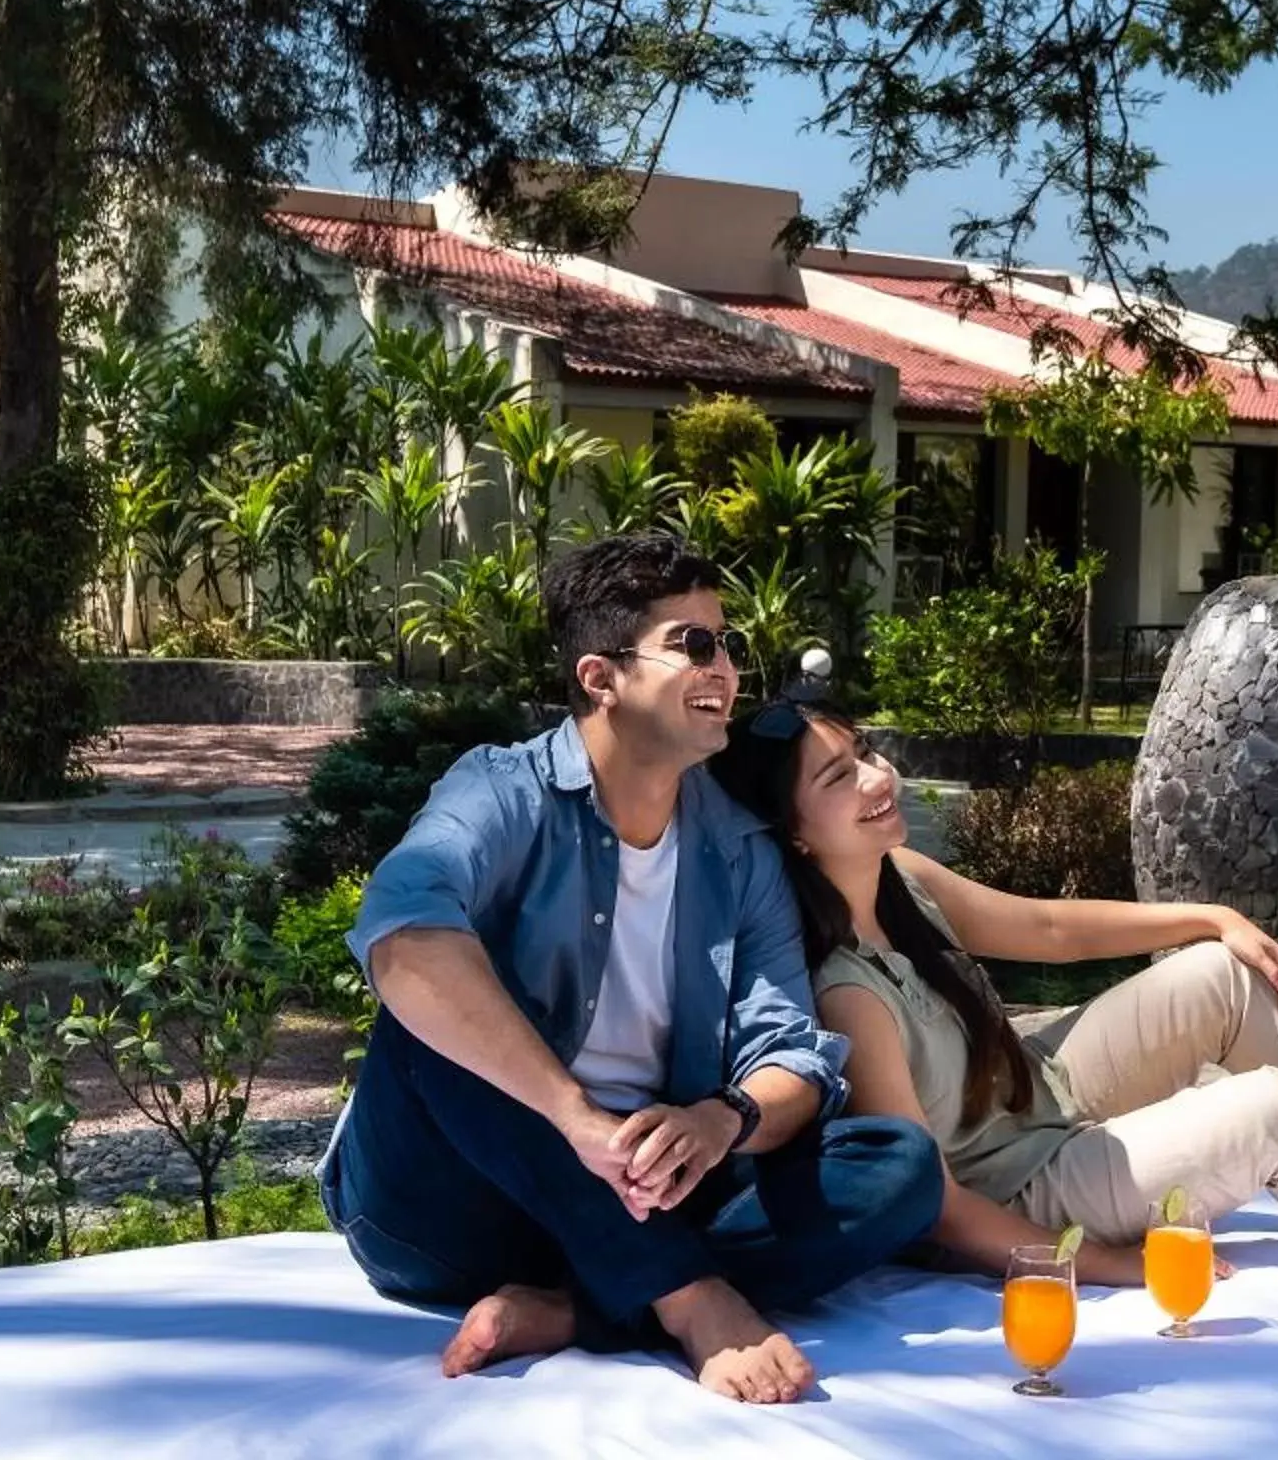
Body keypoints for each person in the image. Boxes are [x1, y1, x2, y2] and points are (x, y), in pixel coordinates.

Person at [318, 535, 944, 1404]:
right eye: (692, 644)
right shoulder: (501, 792)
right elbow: (402, 935)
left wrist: (718, 1121)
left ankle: (579, 1309)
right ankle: (687, 1297)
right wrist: (576, 1120)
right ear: (599, 677)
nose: (723, 667)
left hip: (648, 1191)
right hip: (453, 1210)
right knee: (429, 1008)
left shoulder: (739, 849)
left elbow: (792, 1057)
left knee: (897, 1165)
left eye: (728, 645)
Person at [708, 702, 1278, 1291]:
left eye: (863, 752)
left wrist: (1208, 917)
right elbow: (936, 1203)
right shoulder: (847, 993)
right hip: (1019, 1183)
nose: (874, 777)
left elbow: (1044, 931)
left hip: (1037, 1088)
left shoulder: (901, 874)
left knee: (1227, 975)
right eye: (836, 777)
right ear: (791, 833)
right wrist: (1094, 1263)